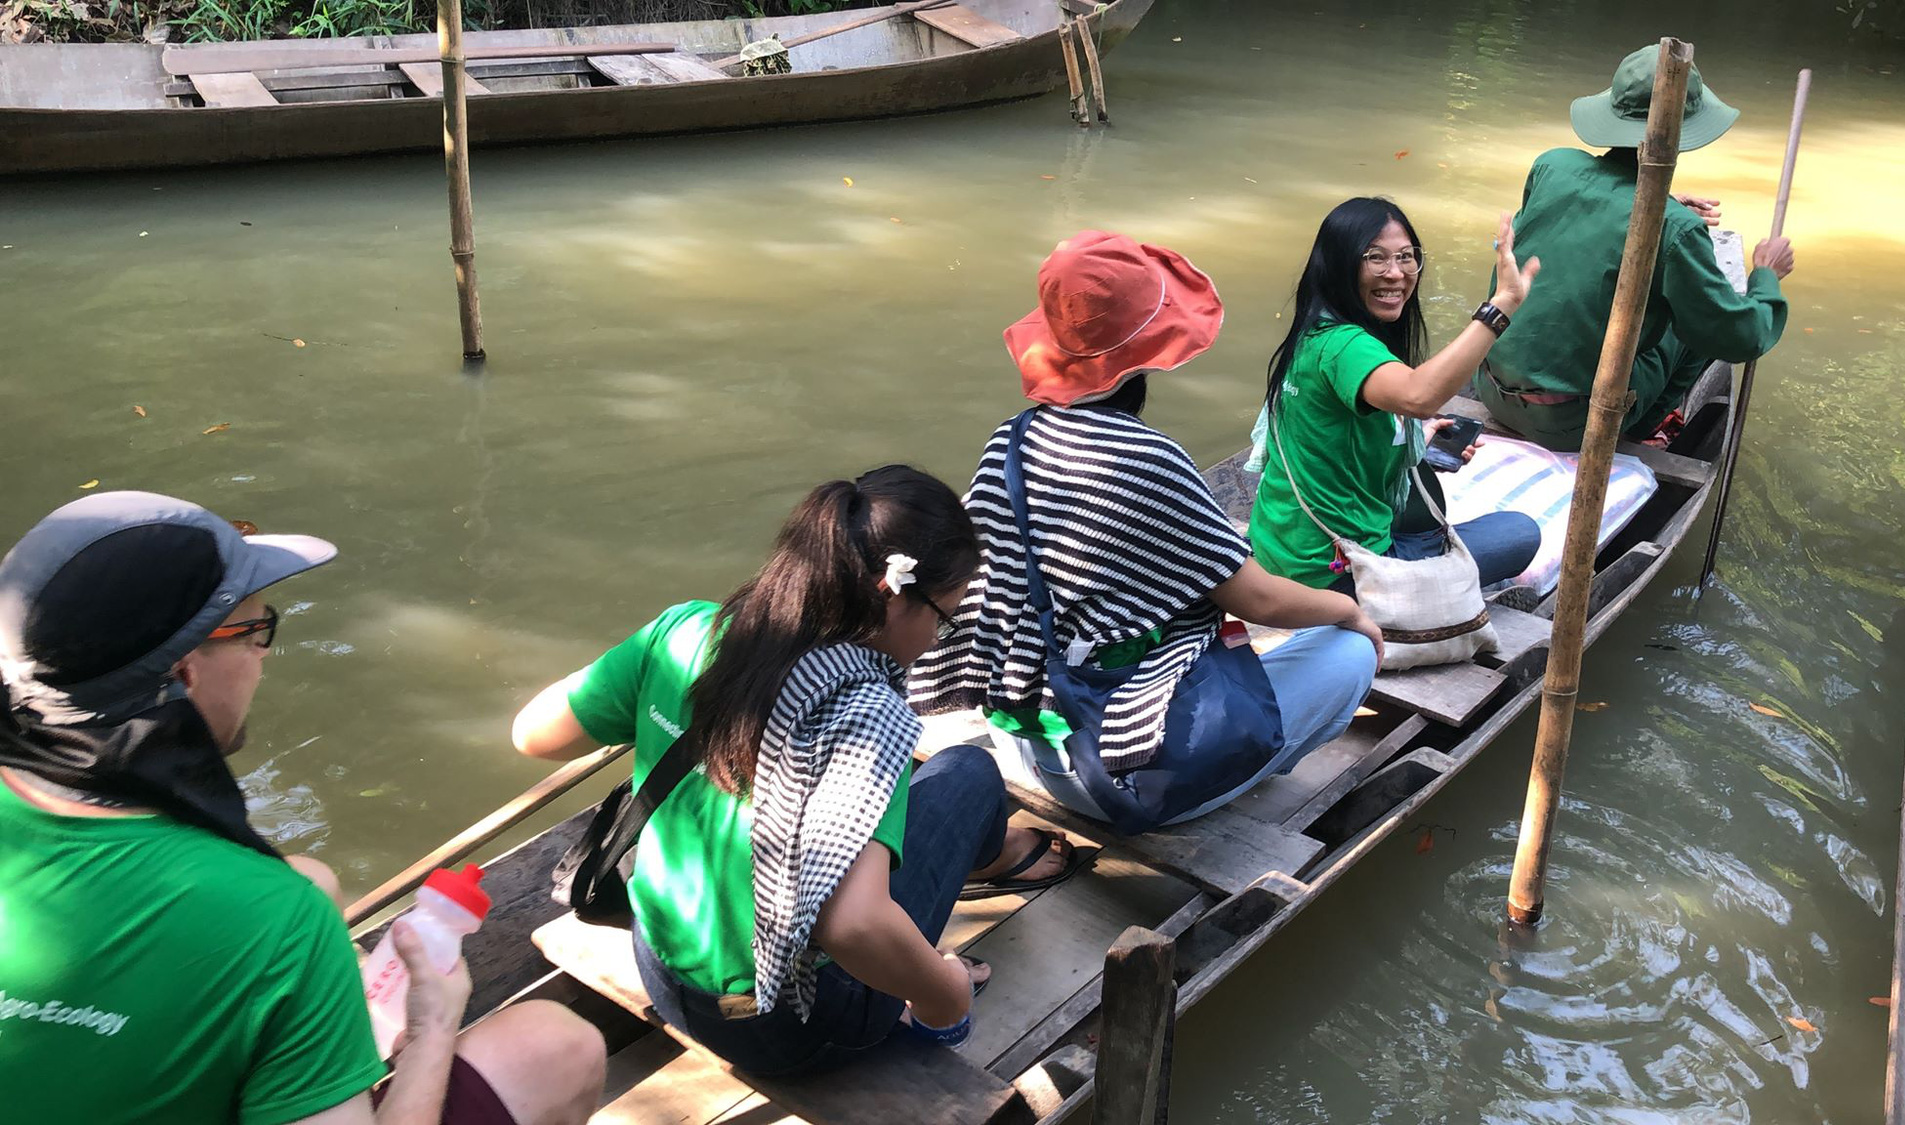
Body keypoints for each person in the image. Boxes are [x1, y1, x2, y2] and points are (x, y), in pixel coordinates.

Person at [0, 491, 606, 1125]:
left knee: (312, 881)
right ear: (182, 674)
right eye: (256, 632)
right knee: (552, 1049)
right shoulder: (271, 920)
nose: (263, 656)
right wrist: (430, 1034)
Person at [511, 466, 1082, 1076]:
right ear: (893, 593)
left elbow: (534, 734)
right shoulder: (866, 718)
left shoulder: (689, 630)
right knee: (969, 771)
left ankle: (976, 866)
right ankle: (987, 865)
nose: (938, 636)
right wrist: (945, 997)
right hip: (788, 1026)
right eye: (943, 618)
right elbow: (853, 926)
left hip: (660, 966)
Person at [906, 230, 1385, 829]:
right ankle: (1240, 771)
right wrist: (1349, 613)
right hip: (1127, 777)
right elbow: (1257, 597)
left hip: (1028, 746)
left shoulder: (1009, 440)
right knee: (1347, 652)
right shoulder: (1146, 457)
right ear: (1148, 355)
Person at [1474, 44, 1794, 451]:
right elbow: (1740, 338)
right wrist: (1766, 276)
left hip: (1488, 386)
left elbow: (1592, 215)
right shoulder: (1675, 228)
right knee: (1696, 327)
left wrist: (1665, 202)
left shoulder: (1552, 165)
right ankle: (1636, 430)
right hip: (1572, 423)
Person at [1249, 197, 1544, 595]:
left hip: (1278, 553)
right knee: (1518, 533)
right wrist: (1502, 305)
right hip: (1335, 572)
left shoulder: (1314, 332)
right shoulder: (1346, 347)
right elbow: (1418, 396)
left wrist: (1415, 441)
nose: (1396, 274)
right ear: (1339, 265)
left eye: (1406, 258)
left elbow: (1352, 435)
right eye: (1376, 258)